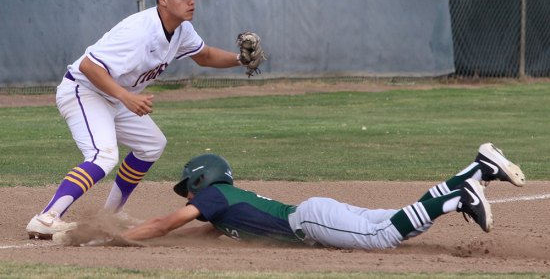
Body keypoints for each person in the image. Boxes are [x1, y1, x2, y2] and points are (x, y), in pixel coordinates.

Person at [26, 0, 264, 239]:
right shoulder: (138, 31)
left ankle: (111, 214)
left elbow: (205, 55)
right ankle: (46, 218)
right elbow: (88, 66)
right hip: (84, 90)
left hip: (114, 95)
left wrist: (239, 59)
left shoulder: (182, 30)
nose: (191, 1)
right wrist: (126, 97)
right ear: (163, 0)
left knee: (151, 144)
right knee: (102, 155)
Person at [118, 143, 525, 249]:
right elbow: (187, 233)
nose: (188, 195)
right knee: (401, 224)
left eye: (189, 186)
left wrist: (117, 238)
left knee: (384, 238)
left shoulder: (215, 197)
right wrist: (158, 234)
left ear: (203, 180)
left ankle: (459, 198)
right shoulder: (222, 210)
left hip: (310, 221)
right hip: (315, 214)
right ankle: (476, 169)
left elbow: (164, 224)